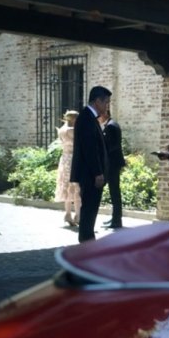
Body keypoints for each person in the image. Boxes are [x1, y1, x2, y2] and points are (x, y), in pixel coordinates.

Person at [70, 85, 111, 242]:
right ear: (97, 101)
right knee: (89, 208)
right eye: (106, 102)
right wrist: (98, 173)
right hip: (89, 174)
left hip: (90, 173)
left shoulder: (89, 117)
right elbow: (90, 149)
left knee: (90, 209)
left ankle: (87, 239)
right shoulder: (87, 118)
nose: (107, 106)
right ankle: (87, 241)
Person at [99, 109, 126, 229]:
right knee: (114, 191)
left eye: (100, 115)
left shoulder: (110, 126)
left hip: (112, 164)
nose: (99, 117)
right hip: (114, 163)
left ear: (105, 114)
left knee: (114, 192)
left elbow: (111, 146)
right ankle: (115, 218)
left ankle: (116, 220)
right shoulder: (112, 124)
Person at [55, 110, 81, 227]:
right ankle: (78, 215)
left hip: (64, 159)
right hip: (73, 160)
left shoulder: (61, 130)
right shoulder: (72, 131)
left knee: (67, 187)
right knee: (76, 188)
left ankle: (68, 214)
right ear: (74, 119)